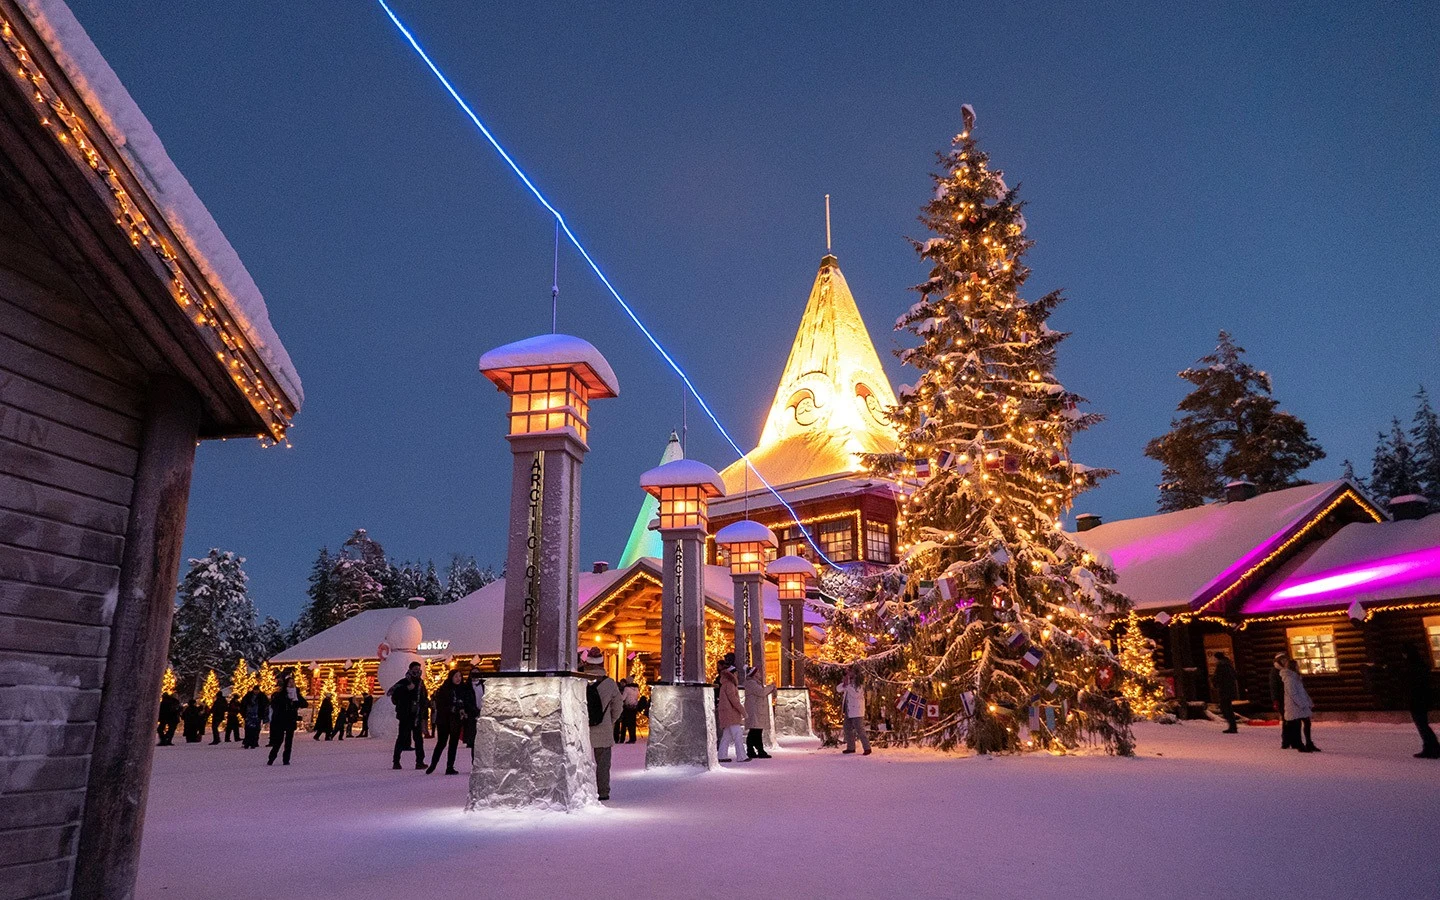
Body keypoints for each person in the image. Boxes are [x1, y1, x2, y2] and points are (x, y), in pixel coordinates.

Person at [581, 648, 622, 800]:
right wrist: (610, 721)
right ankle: (603, 792)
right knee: (603, 764)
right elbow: (618, 706)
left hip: (582, 729)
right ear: (602, 663)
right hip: (603, 729)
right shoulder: (609, 683)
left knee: (580, 761)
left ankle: (582, 791)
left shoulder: (580, 680)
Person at [427, 669, 477, 774]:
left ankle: (450, 766)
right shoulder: (445, 689)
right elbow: (441, 705)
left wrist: (465, 710)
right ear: (451, 677)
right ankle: (433, 764)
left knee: (453, 744)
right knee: (441, 742)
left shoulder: (463, 689)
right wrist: (453, 708)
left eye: (459, 676)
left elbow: (468, 703)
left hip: (456, 720)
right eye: (456, 676)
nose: (458, 679)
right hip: (444, 720)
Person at [1401, 643, 1439, 759]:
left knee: (1422, 725)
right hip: (1422, 698)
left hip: (1417, 699)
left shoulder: (1413, 665)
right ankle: (1431, 747)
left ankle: (1432, 748)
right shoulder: (1420, 664)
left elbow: (1412, 683)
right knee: (1423, 725)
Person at [389, 661, 429, 770]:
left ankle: (420, 761)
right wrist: (406, 689)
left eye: (418, 668)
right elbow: (392, 693)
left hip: (416, 716)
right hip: (405, 715)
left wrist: (424, 711)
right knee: (402, 738)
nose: (416, 671)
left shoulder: (421, 683)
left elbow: (424, 698)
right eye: (414, 669)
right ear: (410, 669)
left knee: (418, 739)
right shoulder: (404, 681)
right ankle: (396, 761)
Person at [1276, 654, 1318, 753]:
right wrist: (1302, 703)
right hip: (1295, 706)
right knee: (1296, 725)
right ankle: (1300, 745)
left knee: (1306, 722)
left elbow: (1302, 691)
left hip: (1301, 704)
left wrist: (1308, 701)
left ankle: (1308, 743)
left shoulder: (1295, 677)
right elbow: (1293, 693)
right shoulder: (1290, 679)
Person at [267, 672, 307, 766]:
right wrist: (287, 704)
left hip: (291, 720)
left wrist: (296, 703)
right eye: (290, 682)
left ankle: (286, 760)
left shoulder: (296, 694)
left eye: (293, 682)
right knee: (279, 740)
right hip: (281, 720)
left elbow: (304, 704)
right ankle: (272, 758)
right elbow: (275, 705)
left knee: (289, 741)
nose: (292, 684)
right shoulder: (281, 694)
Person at [743, 665, 775, 759]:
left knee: (756, 731)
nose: (760, 674)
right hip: (754, 711)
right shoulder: (751, 683)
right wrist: (771, 687)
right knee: (755, 731)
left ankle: (754, 750)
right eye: (758, 672)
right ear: (753, 674)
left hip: (757, 710)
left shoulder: (754, 683)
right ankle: (756, 750)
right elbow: (761, 692)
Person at [716, 663, 746, 762]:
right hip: (731, 713)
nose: (737, 675)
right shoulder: (730, 684)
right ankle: (741, 756)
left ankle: (722, 755)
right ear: (732, 674)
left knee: (726, 736)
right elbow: (734, 700)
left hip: (726, 713)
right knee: (737, 735)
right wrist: (743, 711)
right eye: (736, 673)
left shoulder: (725, 684)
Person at [839, 668, 871, 755]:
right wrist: (845, 684)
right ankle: (851, 747)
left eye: (849, 672)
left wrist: (847, 686)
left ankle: (867, 747)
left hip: (857, 710)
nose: (847, 674)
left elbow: (856, 695)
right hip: (848, 711)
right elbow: (838, 689)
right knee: (847, 729)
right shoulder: (848, 683)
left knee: (860, 729)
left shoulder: (858, 683)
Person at [1212, 652, 1239, 733]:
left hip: (1224, 689)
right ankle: (1233, 726)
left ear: (1217, 658)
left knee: (1225, 708)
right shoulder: (1228, 664)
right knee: (1228, 707)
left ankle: (1232, 727)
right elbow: (1235, 675)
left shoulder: (1221, 665)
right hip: (1229, 689)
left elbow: (1218, 677)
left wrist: (1215, 683)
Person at [461, 670, 485, 751]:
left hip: (484, 712)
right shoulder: (466, 686)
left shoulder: (484, 685)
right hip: (472, 714)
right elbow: (466, 701)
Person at [1269, 659, 1290, 748]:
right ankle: (1285, 741)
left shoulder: (1285, 670)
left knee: (1289, 720)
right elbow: (1273, 687)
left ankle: (1289, 741)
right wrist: (1275, 700)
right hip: (1281, 699)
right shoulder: (1275, 672)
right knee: (1287, 720)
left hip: (1287, 698)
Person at [241, 685, 268, 749]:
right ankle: (248, 742)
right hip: (249, 715)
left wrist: (263, 715)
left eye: (257, 690)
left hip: (257, 715)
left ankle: (254, 742)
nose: (256, 691)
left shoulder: (262, 697)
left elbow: (265, 706)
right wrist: (243, 714)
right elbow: (243, 705)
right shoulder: (248, 696)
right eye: (255, 690)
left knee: (256, 729)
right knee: (248, 729)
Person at [616, 678, 640, 745]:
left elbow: (623, 698)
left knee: (624, 724)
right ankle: (633, 738)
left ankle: (622, 739)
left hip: (627, 707)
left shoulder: (626, 689)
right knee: (632, 724)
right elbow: (638, 696)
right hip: (634, 708)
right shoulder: (636, 688)